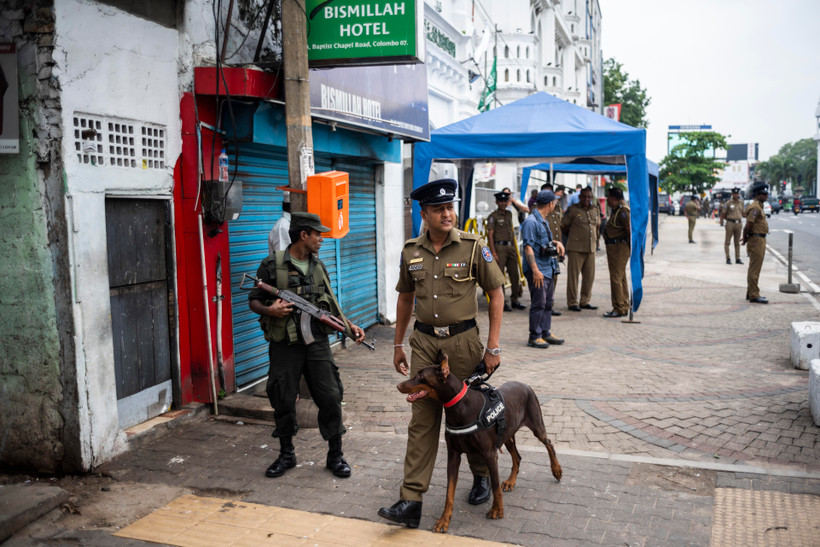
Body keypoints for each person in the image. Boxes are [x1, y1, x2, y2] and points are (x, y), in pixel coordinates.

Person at [378, 179, 506, 528]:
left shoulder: (473, 246)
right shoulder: (411, 251)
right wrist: (397, 343)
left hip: (462, 344)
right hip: (423, 345)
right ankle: (411, 500)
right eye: (439, 209)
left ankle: (481, 474)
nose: (447, 214)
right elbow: (405, 298)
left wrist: (493, 347)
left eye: (450, 207)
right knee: (422, 420)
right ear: (424, 214)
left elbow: (496, 293)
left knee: (471, 415)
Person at [249, 212, 366, 480]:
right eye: (318, 234)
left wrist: (349, 325)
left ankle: (335, 454)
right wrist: (271, 309)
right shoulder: (272, 265)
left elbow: (329, 305)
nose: (322, 239)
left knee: (331, 396)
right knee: (283, 397)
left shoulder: (318, 266)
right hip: (285, 345)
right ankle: (286, 454)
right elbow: (253, 300)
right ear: (304, 235)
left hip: (317, 343)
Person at [521, 190, 566, 348]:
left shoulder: (543, 221)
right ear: (550, 204)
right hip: (538, 270)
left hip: (547, 268)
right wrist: (535, 270)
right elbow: (528, 247)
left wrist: (555, 243)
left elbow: (541, 241)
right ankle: (534, 336)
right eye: (555, 202)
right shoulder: (531, 222)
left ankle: (545, 332)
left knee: (548, 302)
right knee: (539, 303)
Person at [561, 187, 600, 312]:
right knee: (573, 277)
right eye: (584, 197)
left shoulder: (595, 210)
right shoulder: (572, 210)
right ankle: (572, 302)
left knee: (589, 277)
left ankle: (585, 301)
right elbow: (564, 226)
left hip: (591, 248)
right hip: (576, 248)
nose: (587, 199)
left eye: (589, 197)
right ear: (580, 197)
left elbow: (597, 227)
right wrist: (574, 236)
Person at [487, 191, 525, 311]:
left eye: (505, 201)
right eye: (501, 201)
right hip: (499, 248)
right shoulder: (493, 216)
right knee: (500, 276)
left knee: (515, 274)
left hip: (510, 247)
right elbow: (490, 235)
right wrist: (493, 252)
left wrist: (514, 248)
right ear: (497, 202)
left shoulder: (509, 214)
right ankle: (502, 302)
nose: (503, 203)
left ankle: (515, 300)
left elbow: (511, 232)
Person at [602, 188, 631, 318]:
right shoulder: (618, 209)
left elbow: (628, 229)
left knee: (616, 278)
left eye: (608, 198)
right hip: (616, 247)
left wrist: (629, 247)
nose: (607, 200)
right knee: (621, 277)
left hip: (619, 247)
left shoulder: (623, 210)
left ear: (614, 198)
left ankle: (618, 307)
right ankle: (624, 305)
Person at [741, 183, 770, 304]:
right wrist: (745, 237)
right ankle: (754, 294)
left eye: (766, 194)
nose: (766, 196)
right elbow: (748, 225)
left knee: (754, 267)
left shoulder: (759, 206)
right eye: (764, 194)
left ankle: (750, 292)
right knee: (755, 268)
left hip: (759, 239)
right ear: (757, 195)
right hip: (756, 240)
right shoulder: (755, 207)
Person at [720, 188, 744, 265]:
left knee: (737, 242)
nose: (736, 195)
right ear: (732, 194)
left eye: (737, 194)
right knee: (727, 241)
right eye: (734, 194)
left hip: (739, 224)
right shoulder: (728, 203)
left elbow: (743, 213)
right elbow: (723, 214)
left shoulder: (741, 203)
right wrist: (729, 220)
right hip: (730, 223)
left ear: (738, 194)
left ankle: (738, 258)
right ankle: (728, 258)